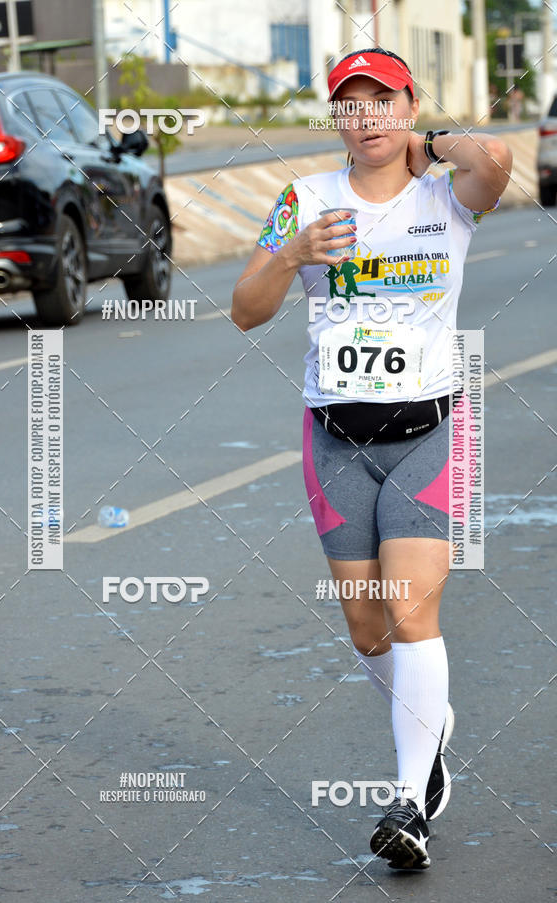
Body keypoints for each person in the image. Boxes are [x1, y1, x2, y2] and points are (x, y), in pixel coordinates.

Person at [231, 48, 512, 870]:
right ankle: (428, 731)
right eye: (349, 105)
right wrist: (292, 255)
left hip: (429, 435)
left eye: (381, 101)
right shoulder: (303, 201)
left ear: (405, 104)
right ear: (335, 119)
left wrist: (432, 139)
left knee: (413, 612)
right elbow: (245, 312)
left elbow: (493, 161)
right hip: (336, 442)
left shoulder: (446, 198)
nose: (366, 118)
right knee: (368, 626)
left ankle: (410, 802)